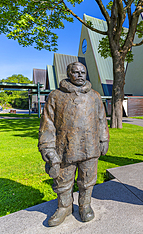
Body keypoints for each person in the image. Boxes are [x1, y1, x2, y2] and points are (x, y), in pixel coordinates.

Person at [38, 62, 109, 227]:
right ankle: (64, 207)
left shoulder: (95, 96)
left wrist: (104, 139)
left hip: (90, 146)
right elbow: (47, 124)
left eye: (83, 72)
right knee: (63, 180)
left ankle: (85, 205)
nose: (80, 75)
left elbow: (101, 119)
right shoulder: (56, 96)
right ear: (68, 74)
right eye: (75, 72)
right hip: (65, 148)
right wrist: (48, 148)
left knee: (88, 179)